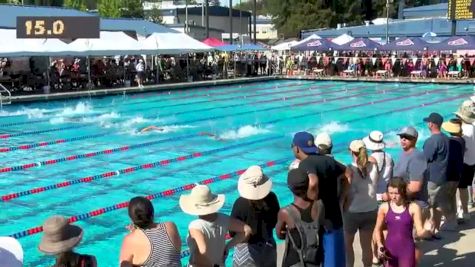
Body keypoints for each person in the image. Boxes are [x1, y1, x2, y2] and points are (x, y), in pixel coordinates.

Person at [291, 131, 346, 267]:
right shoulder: (327, 160)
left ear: (297, 148)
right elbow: (348, 173)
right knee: (335, 261)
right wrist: (343, 198)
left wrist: (311, 203)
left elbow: (313, 182)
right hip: (335, 218)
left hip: (319, 222)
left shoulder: (305, 164)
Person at [180, 184, 252, 267]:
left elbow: (203, 251)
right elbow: (247, 229)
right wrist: (228, 246)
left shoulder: (195, 226)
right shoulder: (223, 218)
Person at [373, 177, 430, 267]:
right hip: (389, 249)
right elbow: (377, 229)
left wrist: (427, 231)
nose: (393, 196)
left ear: (403, 192)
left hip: (407, 250)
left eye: (396, 193)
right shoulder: (384, 207)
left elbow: (419, 231)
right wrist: (380, 245)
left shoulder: (413, 207)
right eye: (390, 193)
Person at [231, 165, 280, 267]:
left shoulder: (240, 203)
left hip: (245, 251)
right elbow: (275, 221)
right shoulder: (272, 198)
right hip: (268, 246)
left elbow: (232, 232)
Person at [276, 168, 325, 267]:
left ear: (289, 187)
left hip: (294, 262)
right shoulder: (320, 205)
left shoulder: (285, 212)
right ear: (308, 185)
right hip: (316, 260)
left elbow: (279, 235)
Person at [342, 140, 379, 267]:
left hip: (353, 212)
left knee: (347, 246)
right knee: (366, 246)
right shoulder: (374, 166)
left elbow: (346, 192)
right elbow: (372, 160)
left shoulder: (348, 170)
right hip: (371, 210)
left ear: (351, 152)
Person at [119, 196, 181, 267]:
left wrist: (134, 233)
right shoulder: (170, 226)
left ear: (131, 218)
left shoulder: (130, 239)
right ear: (152, 213)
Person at [422, 112, 450, 238]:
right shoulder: (445, 138)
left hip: (432, 178)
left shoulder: (431, 141)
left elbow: (424, 159)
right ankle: (436, 230)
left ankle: (428, 231)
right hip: (443, 176)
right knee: (438, 204)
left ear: (432, 124)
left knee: (428, 205)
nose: (427, 124)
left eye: (428, 122)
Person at [441, 118, 465, 231]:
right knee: (451, 196)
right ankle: (453, 218)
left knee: (446, 198)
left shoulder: (452, 142)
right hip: (458, 173)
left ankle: (450, 220)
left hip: (451, 174)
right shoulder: (461, 140)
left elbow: (449, 159)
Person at [454, 100, 475, 222]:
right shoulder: (472, 126)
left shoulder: (465, 130)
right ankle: (466, 208)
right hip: (472, 161)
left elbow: (461, 148)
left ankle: (463, 210)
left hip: (465, 163)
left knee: (460, 188)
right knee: (466, 186)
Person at [363, 130, 394, 203]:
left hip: (375, 197)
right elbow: (391, 176)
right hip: (386, 194)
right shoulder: (389, 156)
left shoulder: (370, 159)